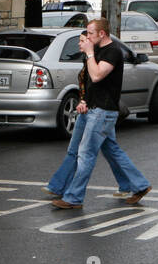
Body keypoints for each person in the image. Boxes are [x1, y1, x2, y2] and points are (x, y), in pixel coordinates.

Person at [49, 19, 150, 210]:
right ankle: (139, 185)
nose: (87, 37)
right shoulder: (96, 50)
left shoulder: (113, 52)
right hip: (91, 108)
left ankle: (74, 197)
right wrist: (84, 100)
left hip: (103, 112)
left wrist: (89, 53)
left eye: (90, 34)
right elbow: (89, 82)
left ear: (102, 34)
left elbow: (96, 75)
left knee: (85, 153)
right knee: (105, 150)